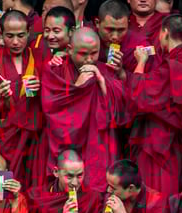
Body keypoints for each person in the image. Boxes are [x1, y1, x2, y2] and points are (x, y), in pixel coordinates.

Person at [41, 27, 126, 192]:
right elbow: (51, 108)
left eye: (94, 53)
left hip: (97, 143)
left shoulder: (105, 71)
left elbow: (121, 111)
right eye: (83, 54)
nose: (89, 59)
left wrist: (101, 80)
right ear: (69, 50)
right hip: (68, 147)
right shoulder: (56, 70)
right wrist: (76, 89)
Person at [127, 14, 182, 197]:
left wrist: (141, 62)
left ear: (165, 33)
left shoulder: (173, 65)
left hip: (158, 142)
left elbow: (140, 95)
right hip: (171, 141)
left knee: (154, 194)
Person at [0, 10, 46, 189]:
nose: (15, 42)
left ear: (29, 32)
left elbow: (57, 98)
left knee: (32, 191)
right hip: (3, 140)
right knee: (1, 193)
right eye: (10, 36)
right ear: (0, 35)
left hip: (33, 141)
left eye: (21, 35)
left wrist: (42, 88)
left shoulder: (40, 58)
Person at [96, 0, 151, 77]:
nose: (115, 36)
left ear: (128, 25)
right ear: (97, 23)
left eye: (121, 30)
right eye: (109, 29)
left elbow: (145, 83)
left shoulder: (139, 45)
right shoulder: (86, 38)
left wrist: (121, 72)